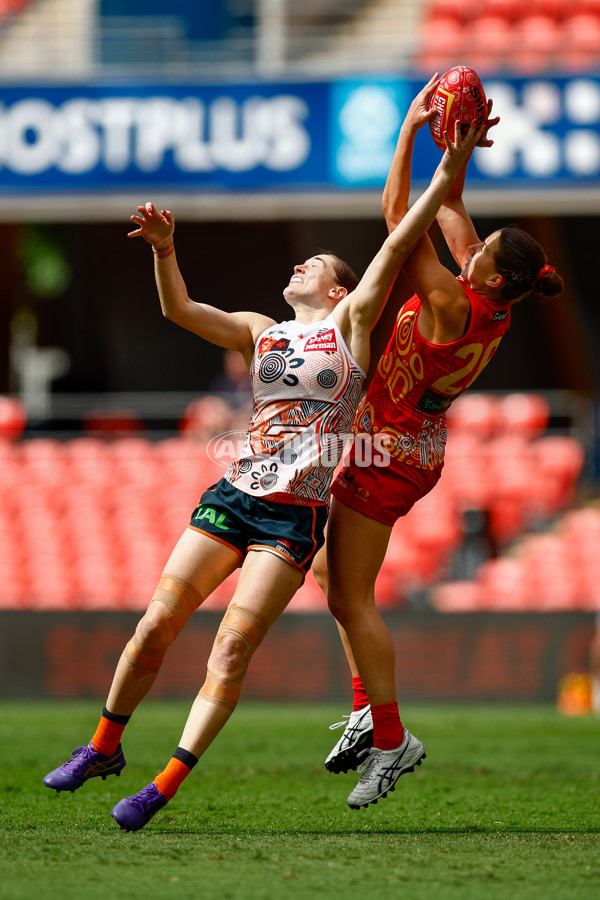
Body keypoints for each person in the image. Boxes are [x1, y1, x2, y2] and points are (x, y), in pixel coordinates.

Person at [42, 110, 483, 832]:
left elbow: (401, 238)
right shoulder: (259, 329)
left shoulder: (351, 327)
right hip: (234, 495)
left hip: (292, 517)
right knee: (155, 626)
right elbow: (180, 310)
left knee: (232, 645)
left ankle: (162, 786)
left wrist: (444, 172)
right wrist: (164, 249)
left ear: (342, 293)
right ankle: (103, 747)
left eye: (316, 266)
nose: (300, 265)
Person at [314, 75, 565, 810]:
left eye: (481, 246)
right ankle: (369, 712)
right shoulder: (489, 295)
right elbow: (447, 205)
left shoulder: (455, 300)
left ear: (494, 271)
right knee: (331, 578)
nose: (471, 241)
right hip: (404, 443)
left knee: (351, 597)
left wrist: (406, 132)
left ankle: (390, 740)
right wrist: (457, 151)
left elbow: (403, 215)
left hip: (391, 451)